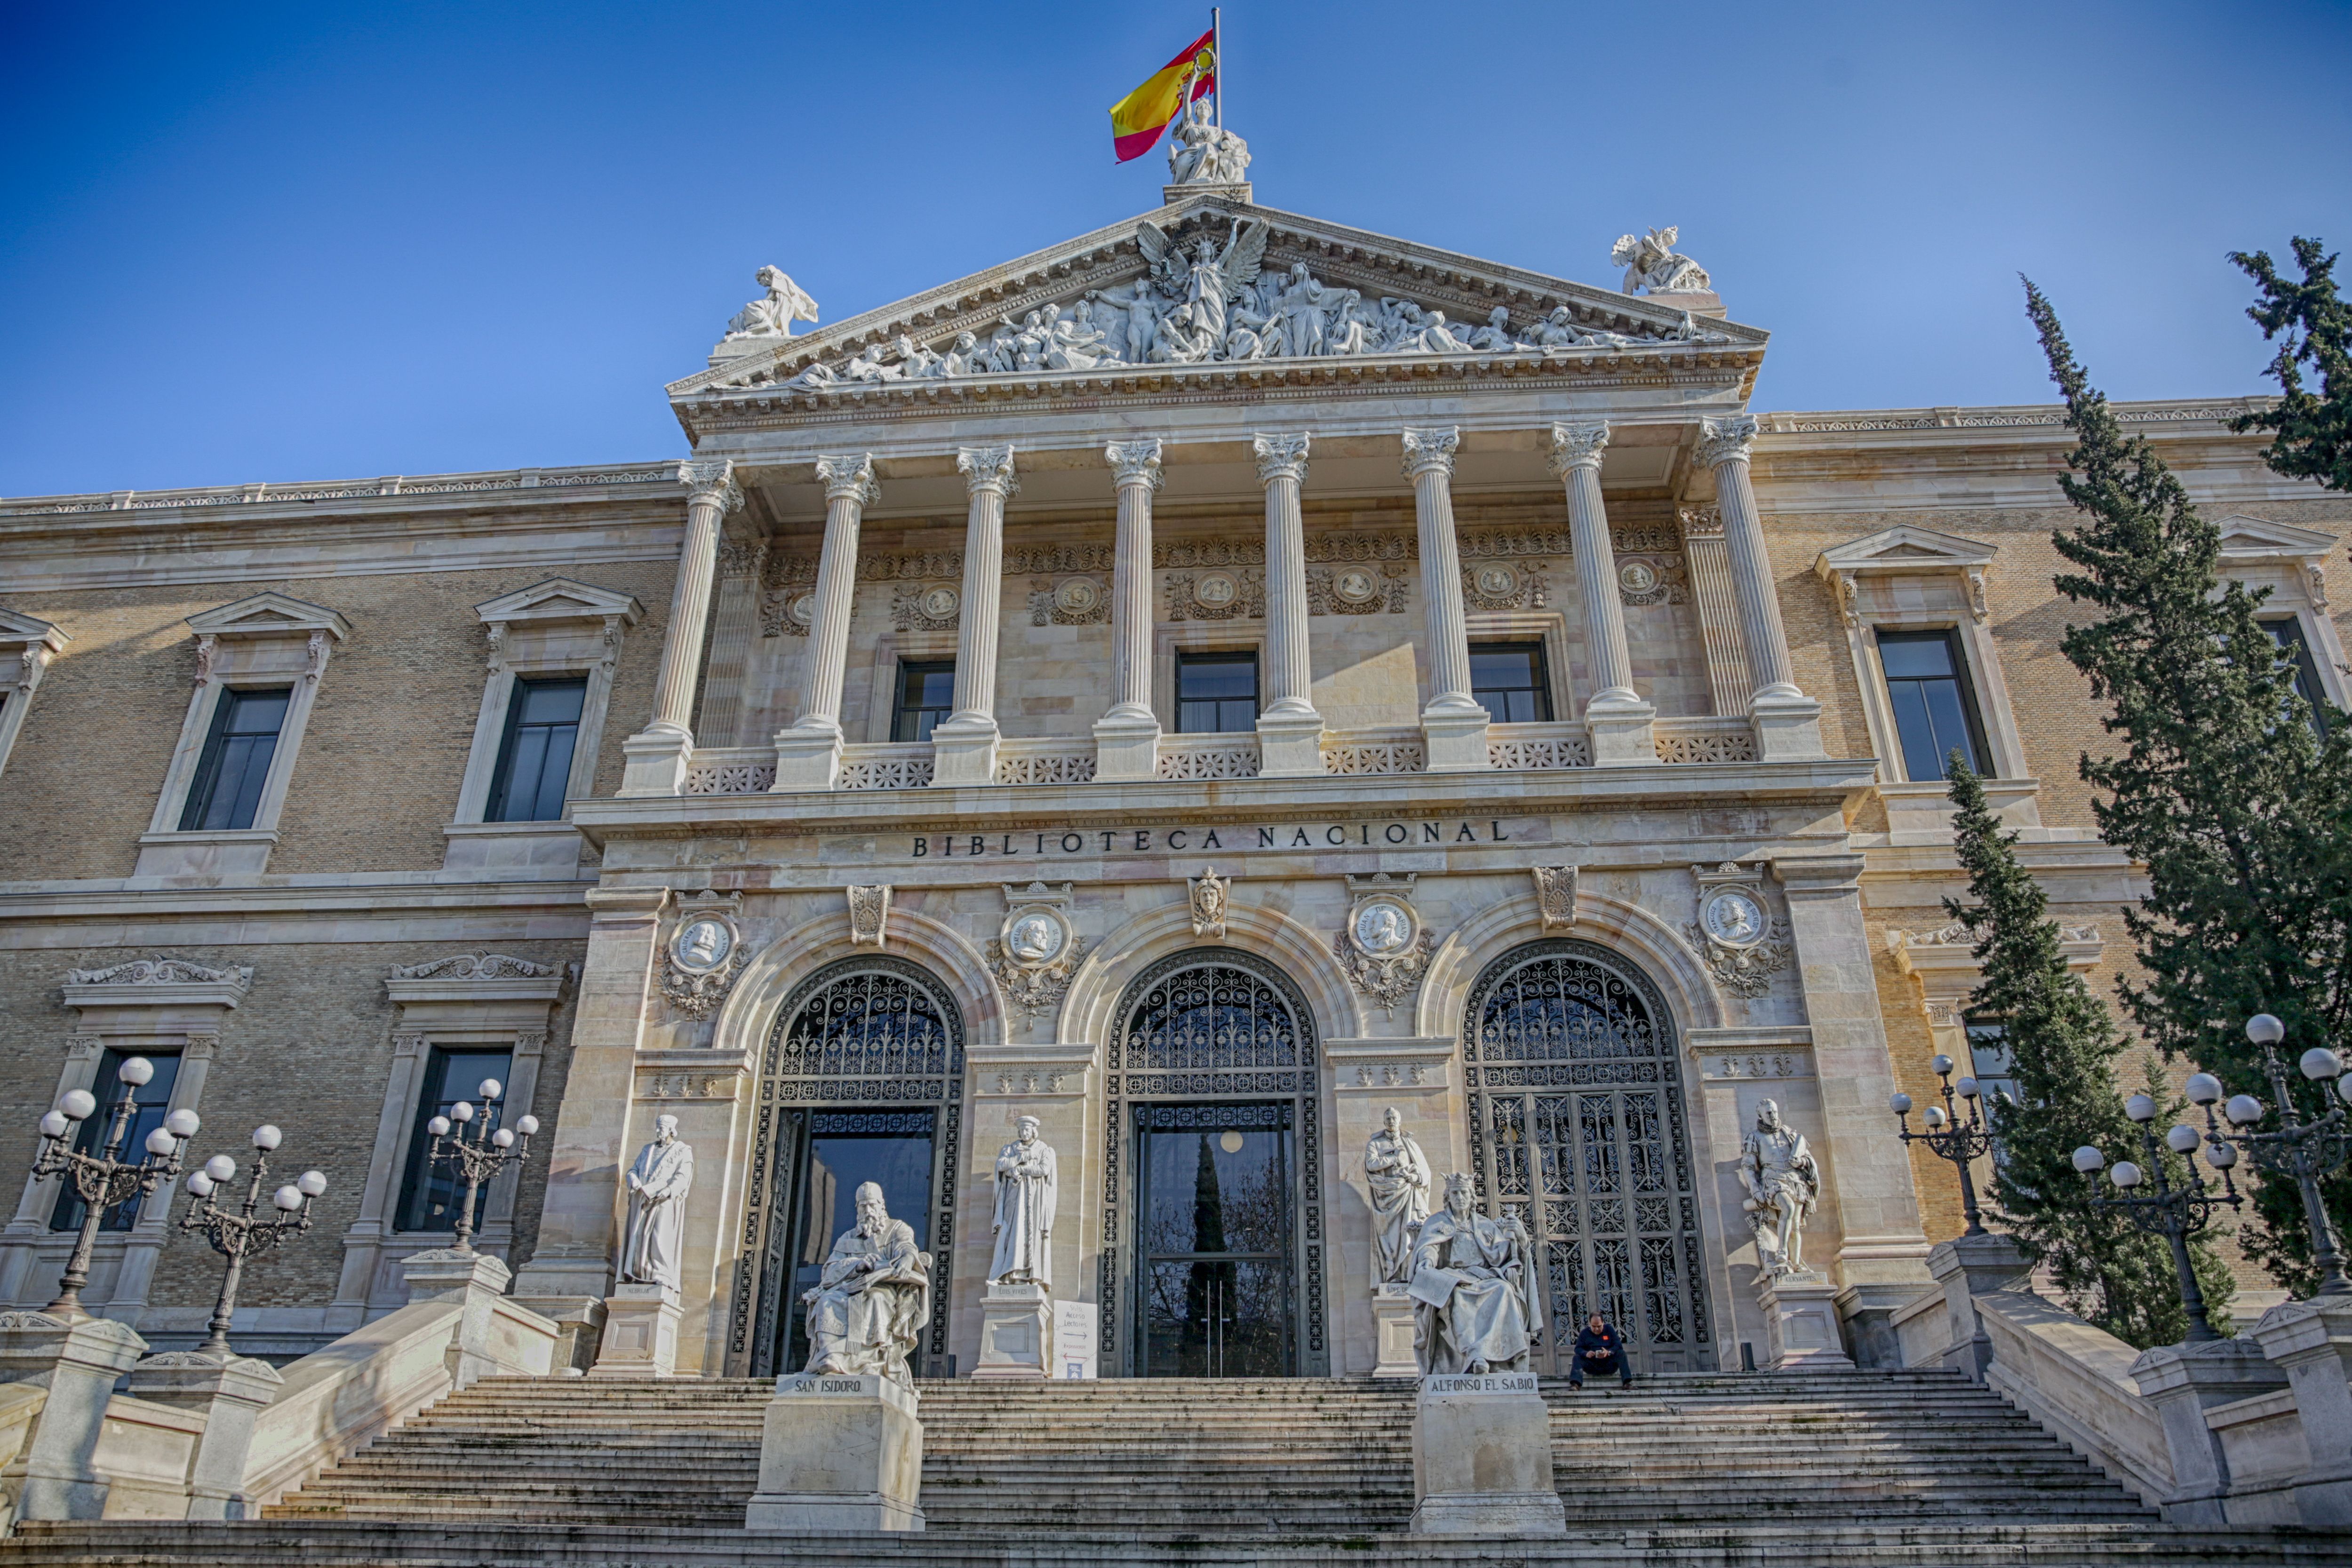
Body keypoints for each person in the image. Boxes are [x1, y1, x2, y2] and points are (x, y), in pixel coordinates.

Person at [1570, 1311, 1633, 1389]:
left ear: (1603, 1323)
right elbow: (1578, 1349)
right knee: (1576, 1358)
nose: (1596, 1329)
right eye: (1594, 1326)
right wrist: (1586, 1353)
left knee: (1622, 1353)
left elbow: (1618, 1345)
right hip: (1592, 1365)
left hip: (1608, 1364)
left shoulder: (1609, 1330)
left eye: (1599, 1326)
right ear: (1590, 1324)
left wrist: (1609, 1352)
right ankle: (1576, 1384)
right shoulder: (1584, 1333)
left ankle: (1627, 1383)